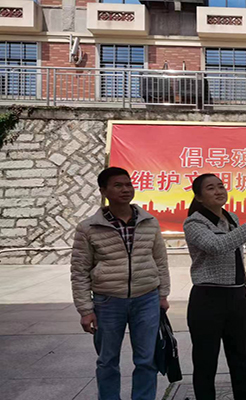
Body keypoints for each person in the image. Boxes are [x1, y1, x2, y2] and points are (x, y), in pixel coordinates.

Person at [70, 167, 171, 400]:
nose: (125, 189)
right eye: (118, 185)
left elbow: (160, 260)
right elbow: (80, 271)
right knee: (107, 360)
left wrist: (162, 294)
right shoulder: (88, 227)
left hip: (146, 298)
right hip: (108, 302)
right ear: (103, 191)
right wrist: (85, 310)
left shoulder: (149, 222)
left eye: (128, 184)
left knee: (147, 360)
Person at [184, 173, 246, 400]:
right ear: (199, 197)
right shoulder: (194, 223)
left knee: (240, 357)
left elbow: (234, 247)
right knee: (205, 360)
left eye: (221, 186)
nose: (219, 191)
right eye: (211, 188)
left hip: (236, 296)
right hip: (208, 297)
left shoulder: (231, 217)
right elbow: (216, 246)